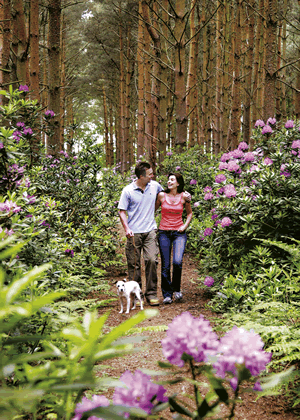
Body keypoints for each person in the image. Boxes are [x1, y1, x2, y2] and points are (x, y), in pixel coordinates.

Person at [118, 162, 162, 305]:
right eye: (150, 174)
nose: (152, 176)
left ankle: (151, 293)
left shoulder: (154, 186)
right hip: (134, 232)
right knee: (134, 264)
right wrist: (127, 228)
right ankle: (137, 295)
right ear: (141, 176)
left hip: (150, 230)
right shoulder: (128, 190)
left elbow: (164, 196)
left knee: (151, 260)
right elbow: (122, 211)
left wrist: (184, 195)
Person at [155, 173, 193, 304]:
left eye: (172, 180)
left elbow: (189, 214)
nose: (169, 181)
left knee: (177, 262)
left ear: (178, 183)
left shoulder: (184, 197)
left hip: (179, 233)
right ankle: (167, 294)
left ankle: (176, 290)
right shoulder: (161, 196)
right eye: (168, 179)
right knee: (165, 265)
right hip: (164, 233)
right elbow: (152, 211)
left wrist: (184, 226)